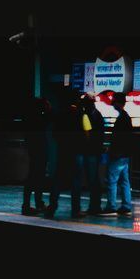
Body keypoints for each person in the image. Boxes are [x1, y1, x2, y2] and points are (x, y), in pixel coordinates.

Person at [44, 90, 83, 218]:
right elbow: (83, 133)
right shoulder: (78, 114)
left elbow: (54, 134)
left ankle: (52, 207)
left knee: (57, 180)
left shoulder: (59, 114)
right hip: (75, 151)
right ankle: (75, 209)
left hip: (62, 152)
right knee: (75, 181)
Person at [105, 92, 138, 216]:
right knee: (124, 180)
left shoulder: (121, 119)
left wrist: (113, 152)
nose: (113, 105)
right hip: (125, 155)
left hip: (118, 154)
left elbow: (118, 139)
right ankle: (126, 205)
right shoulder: (126, 117)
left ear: (119, 103)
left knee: (111, 180)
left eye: (114, 102)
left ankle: (111, 206)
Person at [79, 92, 106, 215]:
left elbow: (88, 135)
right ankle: (95, 205)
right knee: (94, 178)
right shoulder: (97, 115)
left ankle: (95, 206)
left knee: (93, 179)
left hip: (91, 151)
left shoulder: (89, 116)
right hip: (95, 151)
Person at [22, 97, 50, 214]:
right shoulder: (39, 119)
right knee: (36, 177)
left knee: (33, 177)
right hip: (39, 151)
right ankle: (34, 204)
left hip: (34, 151)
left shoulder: (30, 118)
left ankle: (31, 204)